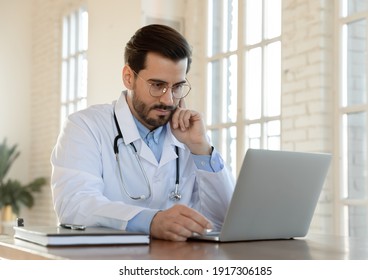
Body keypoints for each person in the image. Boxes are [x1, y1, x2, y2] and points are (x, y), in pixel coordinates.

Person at [51, 24, 235, 241]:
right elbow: (75, 204)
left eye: (177, 87)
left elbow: (224, 220)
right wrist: (151, 221)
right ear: (129, 77)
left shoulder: (189, 136)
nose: (168, 100)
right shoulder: (85, 126)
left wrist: (201, 148)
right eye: (157, 85)